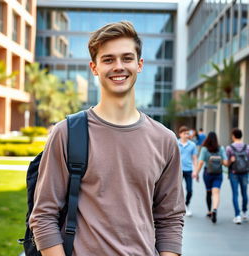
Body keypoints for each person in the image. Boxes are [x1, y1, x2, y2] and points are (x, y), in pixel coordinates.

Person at [29, 21, 185, 256]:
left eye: (127, 58)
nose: (119, 66)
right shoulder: (67, 132)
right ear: (94, 68)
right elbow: (43, 216)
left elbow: (170, 219)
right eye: (108, 59)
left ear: (139, 64)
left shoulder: (165, 139)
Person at [192, 132, 228, 223]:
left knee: (208, 192)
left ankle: (209, 211)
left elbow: (200, 163)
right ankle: (214, 209)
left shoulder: (205, 149)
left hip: (208, 173)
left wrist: (196, 173)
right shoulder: (221, 148)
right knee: (216, 193)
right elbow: (225, 163)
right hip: (218, 174)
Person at [226, 128, 249, 224]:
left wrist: (231, 160)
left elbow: (227, 163)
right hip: (245, 172)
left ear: (233, 136)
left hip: (234, 173)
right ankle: (244, 212)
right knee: (244, 193)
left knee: (235, 194)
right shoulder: (247, 147)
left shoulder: (229, 148)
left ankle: (237, 215)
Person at [178, 126, 197, 217]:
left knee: (190, 190)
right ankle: (178, 208)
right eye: (184, 133)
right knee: (177, 190)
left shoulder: (192, 145)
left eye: (187, 133)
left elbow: (194, 158)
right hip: (178, 171)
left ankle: (187, 204)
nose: (186, 135)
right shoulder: (175, 143)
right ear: (180, 134)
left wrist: (195, 171)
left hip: (189, 170)